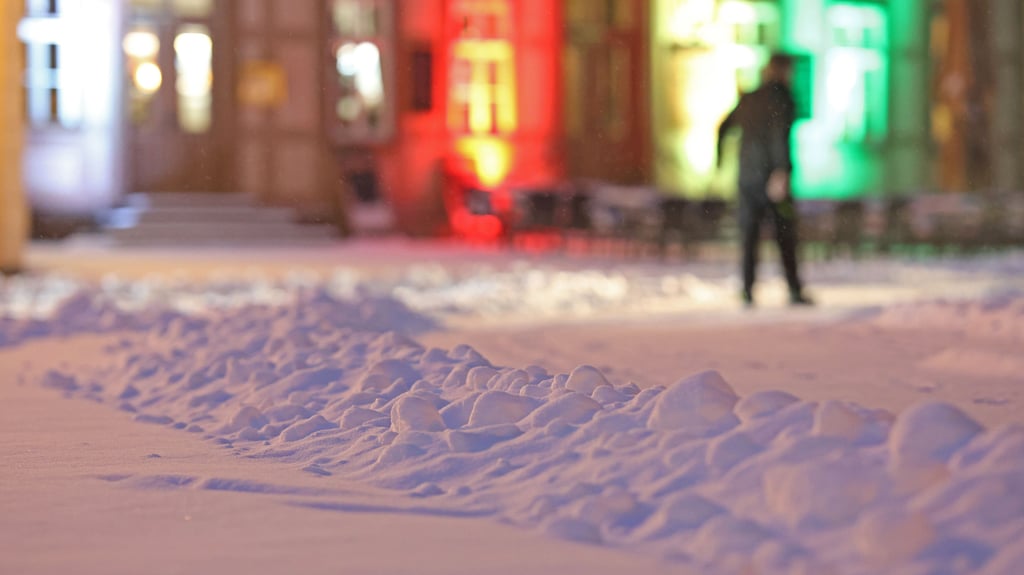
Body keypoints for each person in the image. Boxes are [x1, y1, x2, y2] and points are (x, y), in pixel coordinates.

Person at [717, 52, 812, 307]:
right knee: (784, 235)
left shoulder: (749, 99)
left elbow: (723, 128)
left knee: (749, 235)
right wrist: (781, 171)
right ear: (782, 71)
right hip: (773, 179)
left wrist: (719, 164)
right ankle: (793, 288)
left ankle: (747, 289)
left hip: (747, 178)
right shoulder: (782, 98)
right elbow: (778, 135)